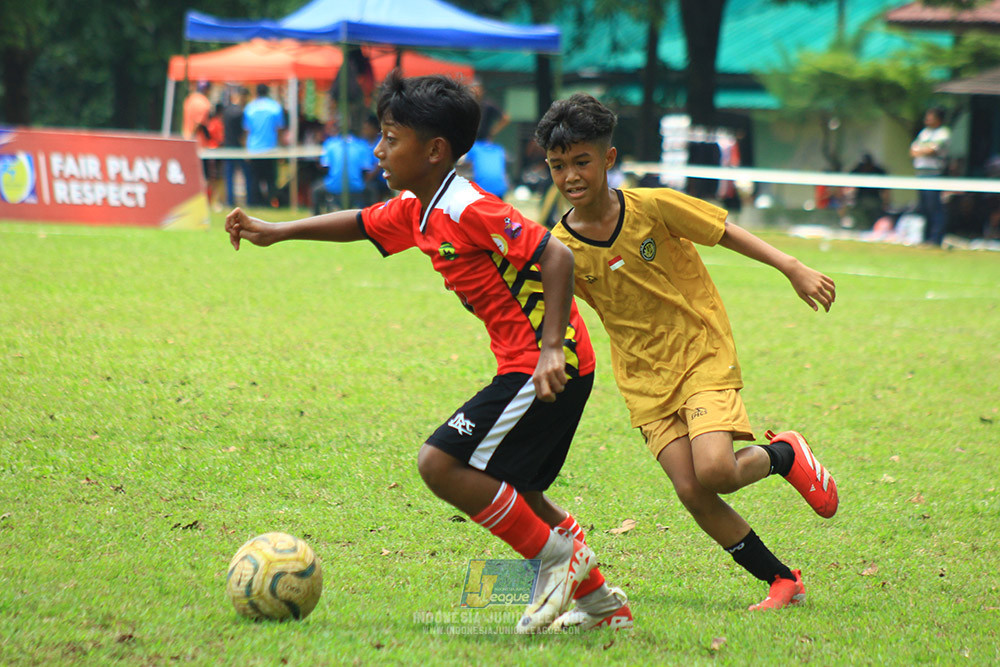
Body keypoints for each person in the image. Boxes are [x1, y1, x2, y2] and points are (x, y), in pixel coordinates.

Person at [225, 73, 632, 634]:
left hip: (543, 365)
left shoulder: (467, 207)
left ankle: (557, 561)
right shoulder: (419, 206)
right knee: (521, 493)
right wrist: (277, 230)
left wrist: (547, 350)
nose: (378, 149)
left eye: (390, 137)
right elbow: (362, 223)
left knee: (439, 463)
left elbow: (556, 256)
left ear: (434, 150)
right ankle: (605, 610)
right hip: (539, 364)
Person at [535, 93, 839, 614]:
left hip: (700, 351)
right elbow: (552, 311)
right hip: (642, 378)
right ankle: (783, 580)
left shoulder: (653, 206)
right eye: (558, 166)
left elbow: (723, 231)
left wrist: (790, 265)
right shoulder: (559, 247)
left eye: (581, 161)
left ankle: (784, 454)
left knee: (716, 470)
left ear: (608, 159)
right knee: (692, 489)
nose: (570, 177)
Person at [910, 107, 951, 245]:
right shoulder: (924, 133)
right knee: (924, 207)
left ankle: (936, 239)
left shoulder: (943, 133)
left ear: (938, 119)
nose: (927, 119)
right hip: (921, 174)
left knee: (934, 207)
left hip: (934, 174)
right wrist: (924, 150)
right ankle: (925, 238)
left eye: (930, 116)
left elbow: (932, 150)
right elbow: (913, 151)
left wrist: (922, 150)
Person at [311, 119, 369, 213]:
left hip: (333, 187)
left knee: (316, 190)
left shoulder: (330, 144)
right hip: (357, 187)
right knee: (372, 189)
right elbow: (365, 170)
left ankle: (315, 218)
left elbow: (325, 167)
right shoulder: (361, 144)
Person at [243, 83, 287, 207]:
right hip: (271, 150)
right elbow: (279, 130)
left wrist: (246, 149)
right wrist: (281, 149)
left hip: (254, 149)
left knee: (255, 179)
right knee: (271, 179)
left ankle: (255, 203)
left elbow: (247, 131)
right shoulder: (275, 107)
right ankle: (271, 203)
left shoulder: (250, 107)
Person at [222, 87, 252, 208]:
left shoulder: (227, 110)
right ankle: (250, 200)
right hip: (238, 148)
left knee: (229, 176)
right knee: (247, 174)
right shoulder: (241, 112)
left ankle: (230, 201)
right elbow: (243, 133)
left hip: (227, 147)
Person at [847, 153, 889, 230]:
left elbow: (886, 190)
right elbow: (849, 187)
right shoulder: (857, 171)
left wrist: (886, 203)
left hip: (875, 199)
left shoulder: (879, 172)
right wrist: (849, 199)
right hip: (860, 200)